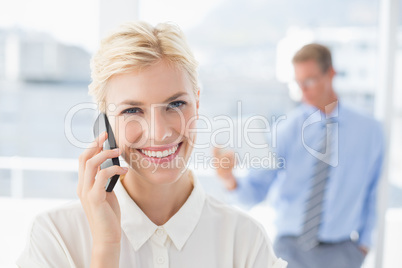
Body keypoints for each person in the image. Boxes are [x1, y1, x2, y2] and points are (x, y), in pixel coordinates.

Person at [16, 21, 287, 268]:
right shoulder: (56, 237)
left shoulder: (245, 242)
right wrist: (106, 250)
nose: (159, 132)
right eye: (132, 110)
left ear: (198, 103)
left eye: (176, 104)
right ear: (105, 122)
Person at [213, 44, 384, 268]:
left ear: (331, 74)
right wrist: (229, 179)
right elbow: (255, 192)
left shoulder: (369, 131)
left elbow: (374, 192)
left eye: (310, 80)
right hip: (290, 249)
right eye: (298, 82)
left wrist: (363, 245)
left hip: (343, 252)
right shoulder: (285, 130)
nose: (303, 90)